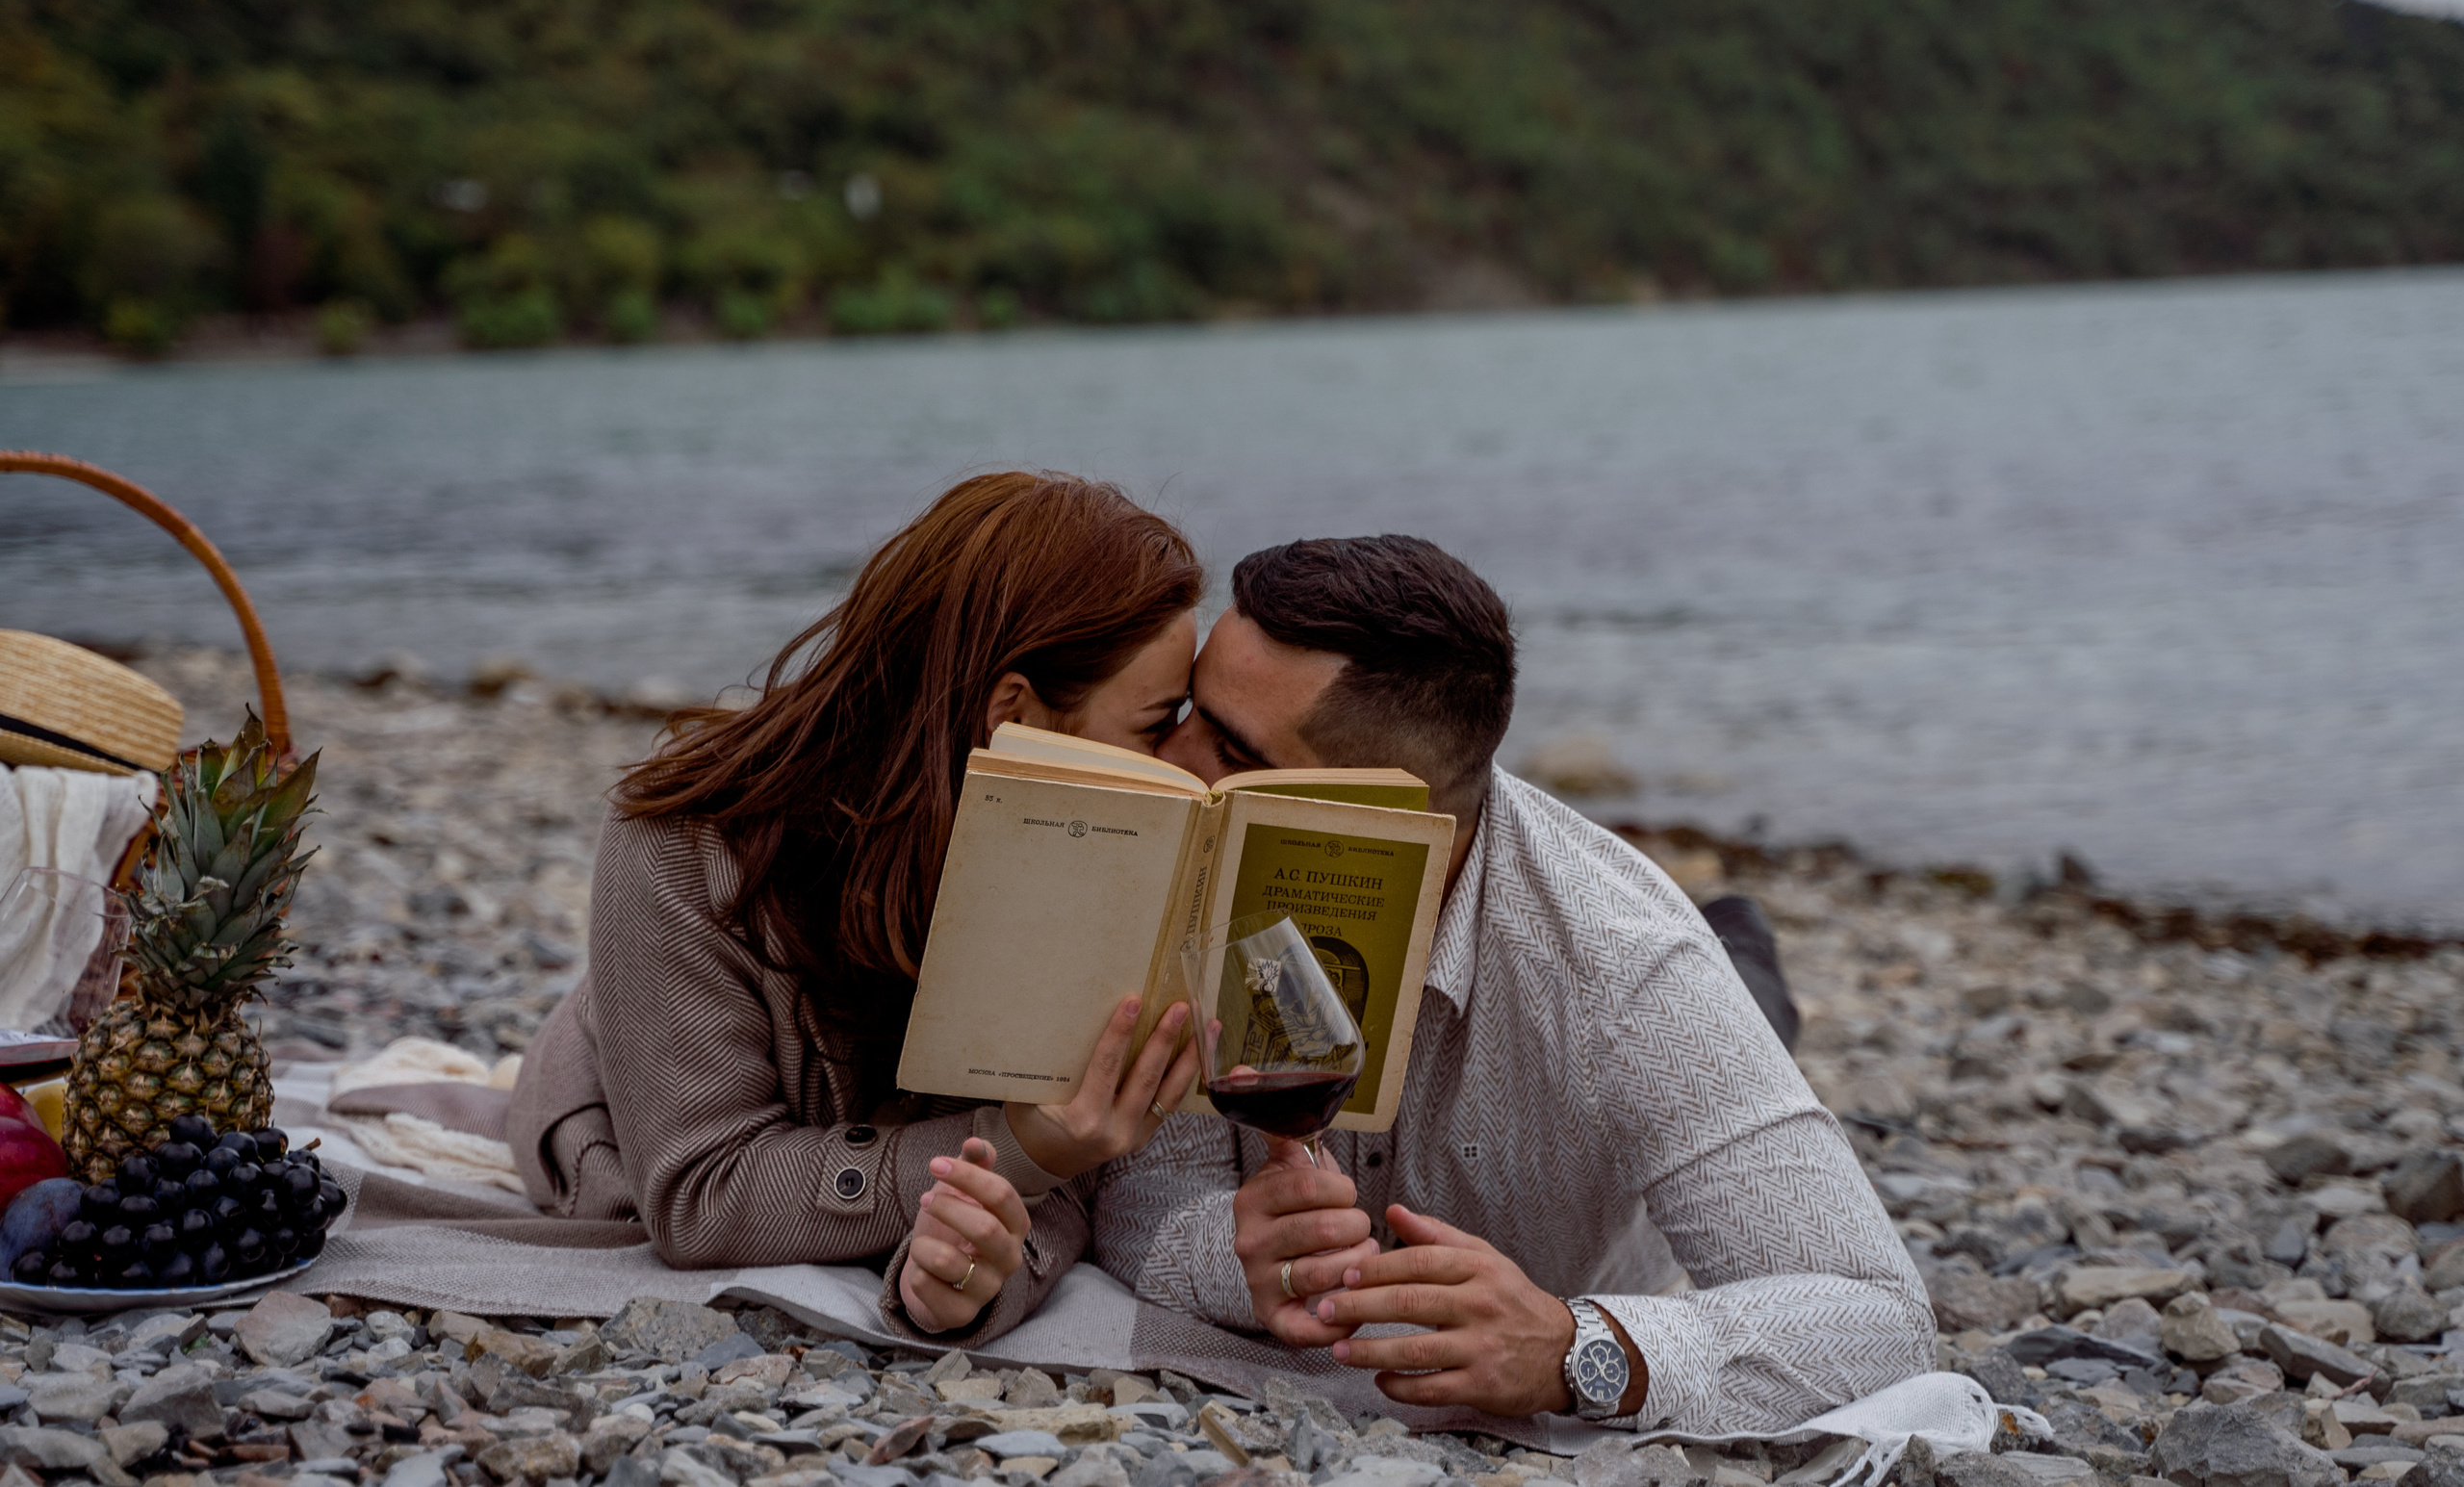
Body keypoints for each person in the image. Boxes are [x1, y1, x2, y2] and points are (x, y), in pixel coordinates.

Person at [1093, 535, 1932, 1431]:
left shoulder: (1627, 967)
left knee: (1735, 992)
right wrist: (1243, 1257)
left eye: (1227, 747)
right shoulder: (1193, 862)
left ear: (1383, 818)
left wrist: (1573, 1347)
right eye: (1183, 710)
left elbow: (1885, 1319)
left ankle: (1741, 942)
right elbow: (1141, 1211)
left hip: (1635, 1016)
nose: (1168, 762)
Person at [507, 472, 1206, 1343]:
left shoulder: (1088, 856)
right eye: (1154, 724)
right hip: (628, 1091)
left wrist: (973, 1281)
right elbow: (700, 1193)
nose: (1184, 763)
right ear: (1014, 715)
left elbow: (1062, 1166)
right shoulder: (683, 842)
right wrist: (1025, 1148)